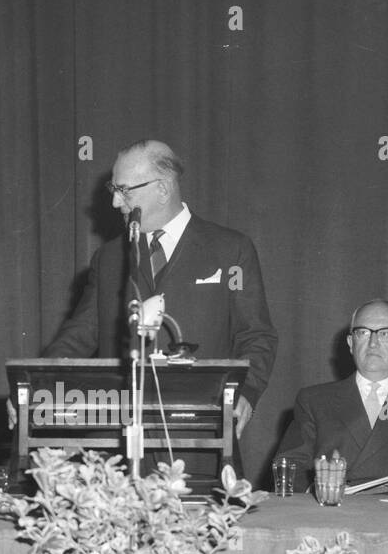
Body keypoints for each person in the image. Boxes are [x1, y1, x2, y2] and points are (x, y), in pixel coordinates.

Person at [41, 140, 277, 438]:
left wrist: (247, 391)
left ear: (163, 189)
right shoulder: (109, 257)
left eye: (124, 190)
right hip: (120, 434)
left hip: (200, 430)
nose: (115, 203)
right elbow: (81, 333)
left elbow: (256, 335)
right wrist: (36, 384)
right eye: (113, 191)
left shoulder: (231, 250)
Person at [274, 299, 388, 494]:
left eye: (385, 333)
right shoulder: (314, 400)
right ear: (350, 343)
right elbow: (289, 466)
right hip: (333, 512)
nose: (373, 343)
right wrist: (320, 490)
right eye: (363, 332)